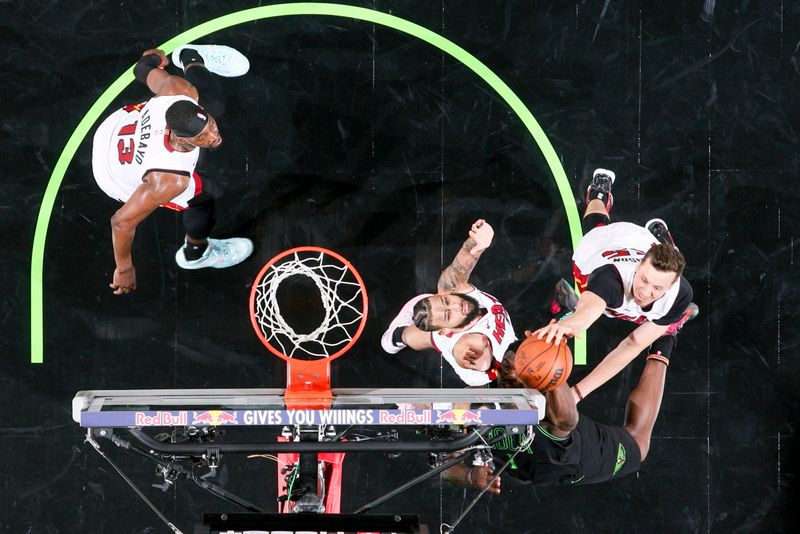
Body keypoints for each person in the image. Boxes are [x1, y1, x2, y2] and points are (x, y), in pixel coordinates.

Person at [92, 45, 253, 295]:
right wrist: (124, 269)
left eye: (210, 125)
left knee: (216, 105)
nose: (214, 135)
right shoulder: (170, 179)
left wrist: (154, 57)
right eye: (203, 136)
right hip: (111, 173)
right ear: (180, 138)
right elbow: (121, 222)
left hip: (113, 129)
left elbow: (142, 68)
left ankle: (190, 57)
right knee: (205, 197)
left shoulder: (178, 90)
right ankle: (196, 252)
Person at [533, 168, 697, 402]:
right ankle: (599, 195)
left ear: (672, 286)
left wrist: (578, 393)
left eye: (657, 289)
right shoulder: (609, 279)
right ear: (638, 267)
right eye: (644, 280)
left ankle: (665, 244)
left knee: (663, 321)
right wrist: (568, 326)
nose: (645, 292)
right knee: (596, 225)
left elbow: (633, 343)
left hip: (645, 244)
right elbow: (589, 311)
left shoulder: (680, 294)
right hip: (602, 248)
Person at [443, 331, 677, 491]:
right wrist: (469, 476)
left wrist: (552, 366)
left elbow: (567, 420)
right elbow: (443, 463)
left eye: (522, 373)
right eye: (506, 367)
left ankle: (665, 340)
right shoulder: (473, 398)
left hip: (579, 459)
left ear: (536, 378)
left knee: (638, 442)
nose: (510, 375)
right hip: (531, 468)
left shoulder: (553, 416)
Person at [381, 219, 517, 386]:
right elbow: (466, 352)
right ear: (446, 329)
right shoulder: (467, 345)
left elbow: (463, 262)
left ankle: (407, 329)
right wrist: (477, 360)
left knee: (431, 332)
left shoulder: (454, 289)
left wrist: (478, 243)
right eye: (447, 314)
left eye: (446, 301)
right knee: (422, 338)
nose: (456, 306)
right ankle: (397, 336)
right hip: (484, 371)